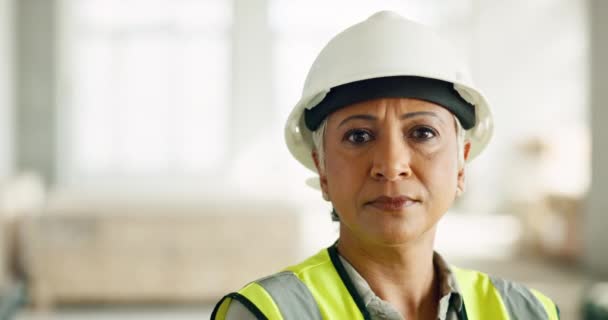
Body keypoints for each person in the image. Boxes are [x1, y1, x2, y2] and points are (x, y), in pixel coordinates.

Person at [211, 11, 560, 320]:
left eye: (422, 132)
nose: (392, 166)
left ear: (461, 164)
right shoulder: (268, 314)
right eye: (359, 136)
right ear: (322, 169)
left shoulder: (527, 311)